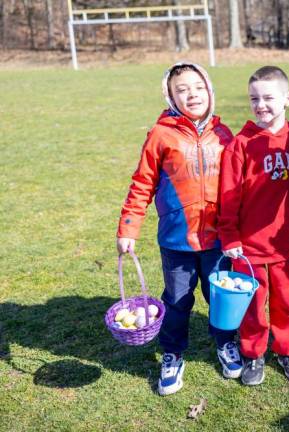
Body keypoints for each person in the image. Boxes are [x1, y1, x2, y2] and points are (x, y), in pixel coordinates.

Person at [116, 62, 235, 396]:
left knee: (220, 299)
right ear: (170, 96)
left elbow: (241, 186)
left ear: (210, 91)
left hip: (218, 240)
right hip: (176, 241)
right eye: (182, 89)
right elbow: (142, 184)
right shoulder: (160, 134)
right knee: (178, 300)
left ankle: (226, 344)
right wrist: (128, 227)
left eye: (197, 87)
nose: (192, 94)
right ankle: (172, 353)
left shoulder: (225, 135)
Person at [218, 66, 289, 386]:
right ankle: (253, 352)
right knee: (253, 303)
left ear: (286, 98)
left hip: (288, 238)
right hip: (250, 244)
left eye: (269, 98)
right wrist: (229, 235)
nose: (261, 105)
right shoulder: (240, 144)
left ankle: (287, 348)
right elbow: (227, 195)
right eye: (254, 98)